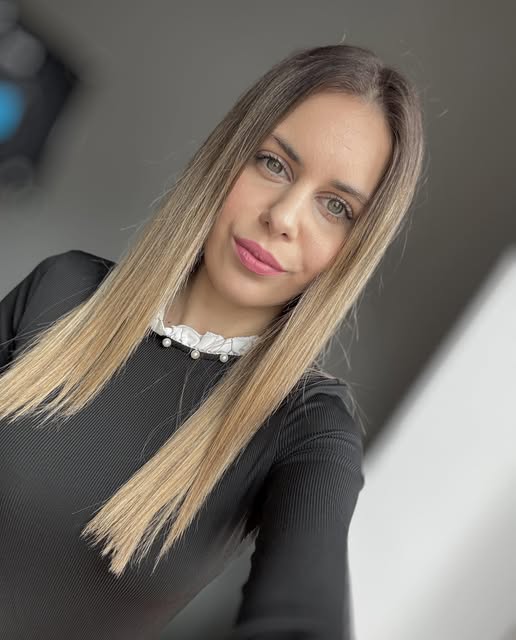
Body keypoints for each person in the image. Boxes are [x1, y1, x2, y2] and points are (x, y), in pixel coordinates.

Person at [0, 43, 425, 639]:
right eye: (274, 164)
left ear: (355, 247)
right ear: (230, 157)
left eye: (335, 206)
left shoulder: (308, 430)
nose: (283, 217)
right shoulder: (63, 291)